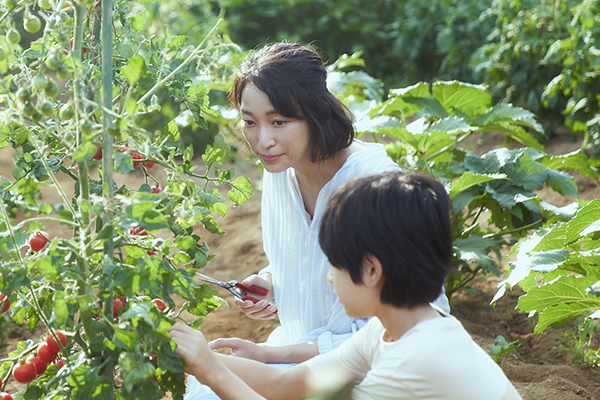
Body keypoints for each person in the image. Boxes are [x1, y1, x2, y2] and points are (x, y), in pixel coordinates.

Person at [184, 42, 449, 398]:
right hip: (304, 351)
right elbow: (308, 260)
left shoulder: (371, 186)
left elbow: (408, 325)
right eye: (249, 122)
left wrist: (269, 355)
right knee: (203, 388)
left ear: (316, 113)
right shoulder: (282, 171)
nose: (263, 140)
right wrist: (271, 282)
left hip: (376, 366)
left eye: (279, 121)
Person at [168, 171, 522, 400]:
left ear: (371, 271)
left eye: (334, 264)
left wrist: (211, 370)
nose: (328, 276)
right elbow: (287, 385)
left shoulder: (413, 362)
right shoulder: (389, 331)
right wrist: (200, 359)